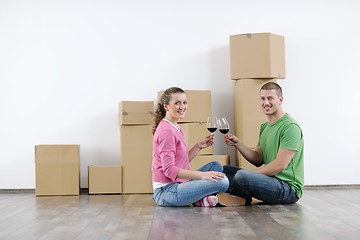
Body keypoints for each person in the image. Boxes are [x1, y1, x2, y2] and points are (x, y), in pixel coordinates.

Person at [217, 82, 304, 206]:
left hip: (288, 189)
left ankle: (238, 196)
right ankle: (242, 197)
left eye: (270, 98)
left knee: (242, 176)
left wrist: (250, 175)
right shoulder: (265, 127)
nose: (266, 103)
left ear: (280, 100)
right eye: (263, 98)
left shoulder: (290, 127)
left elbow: (280, 165)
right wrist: (238, 144)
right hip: (269, 181)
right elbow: (258, 159)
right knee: (224, 170)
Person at [152, 87, 229, 207]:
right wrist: (203, 175)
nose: (182, 107)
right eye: (177, 103)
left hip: (179, 184)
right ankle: (198, 199)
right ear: (166, 106)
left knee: (216, 166)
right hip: (166, 191)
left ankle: (197, 199)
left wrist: (199, 146)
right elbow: (169, 170)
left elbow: (180, 161)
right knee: (223, 182)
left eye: (184, 102)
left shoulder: (175, 126)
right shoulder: (166, 130)